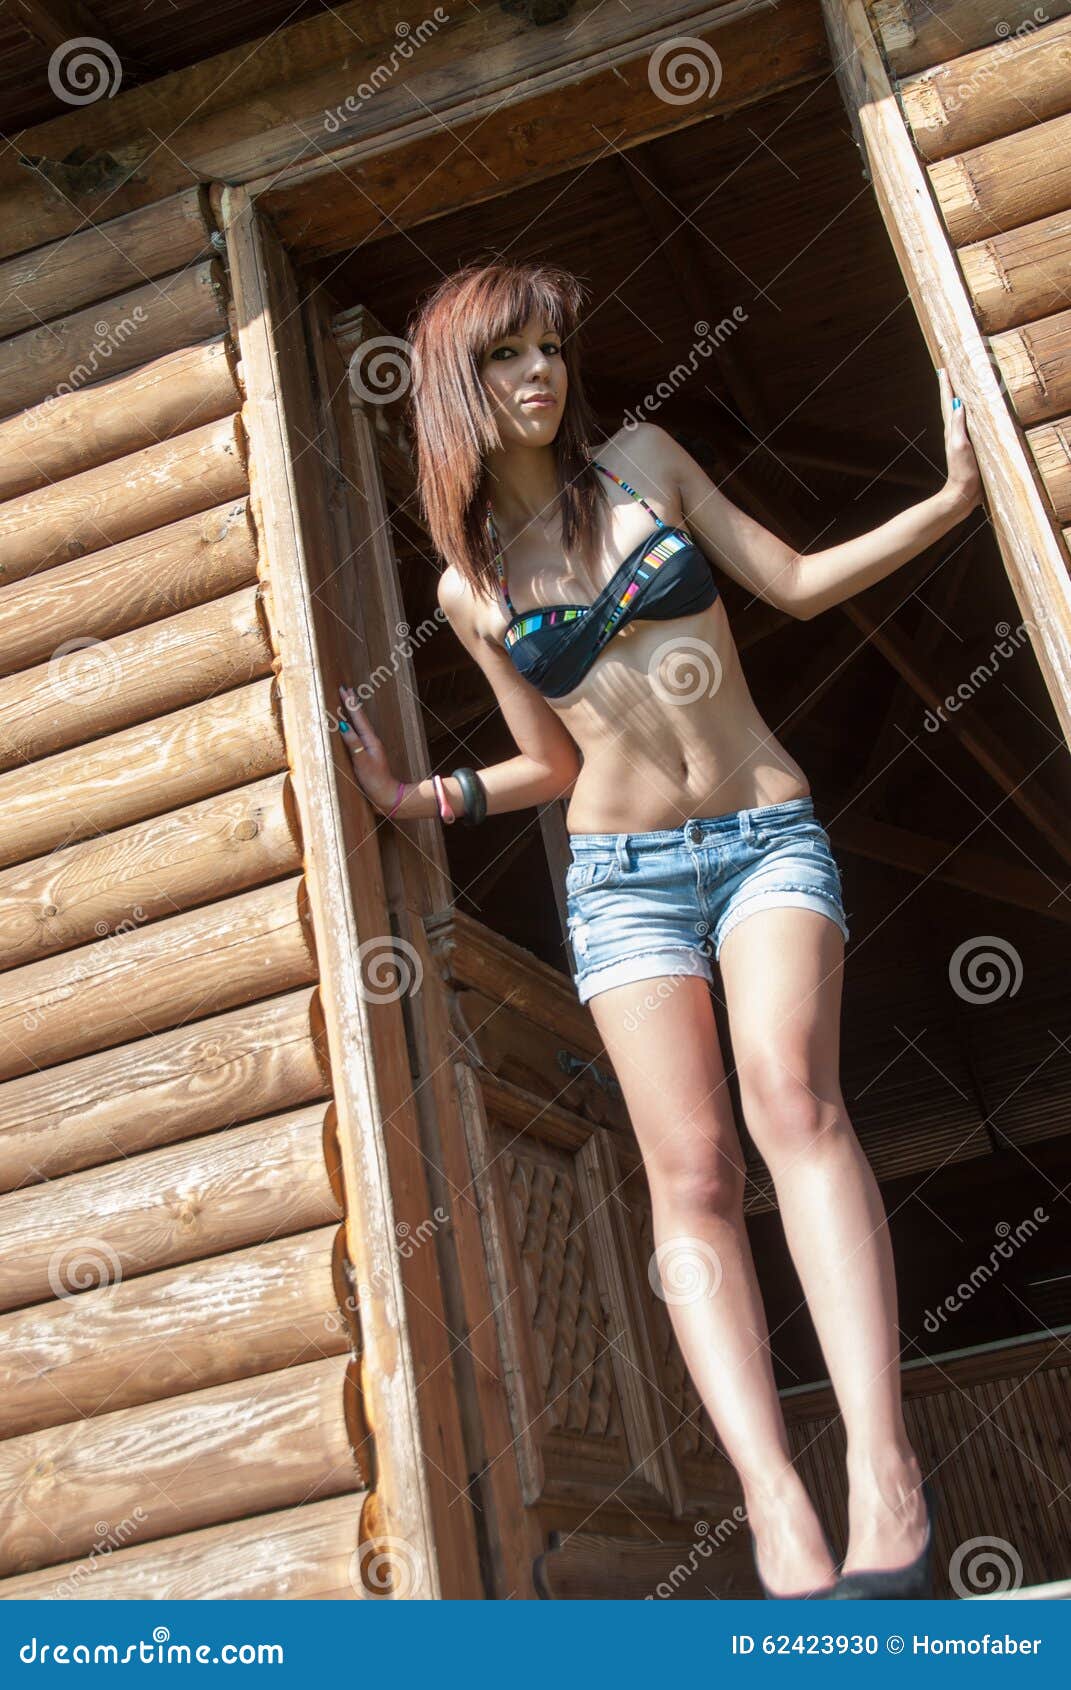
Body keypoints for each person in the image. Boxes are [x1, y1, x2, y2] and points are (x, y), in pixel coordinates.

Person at [337, 261, 983, 1598]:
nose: (542, 376)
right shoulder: (471, 590)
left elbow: (796, 581)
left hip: (763, 836)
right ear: (458, 387)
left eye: (553, 350)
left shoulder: (644, 462)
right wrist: (420, 796)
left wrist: (949, 499)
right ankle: (775, 1509)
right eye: (510, 357)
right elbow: (552, 766)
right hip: (622, 881)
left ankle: (884, 1470)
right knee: (688, 1177)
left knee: (792, 1101)